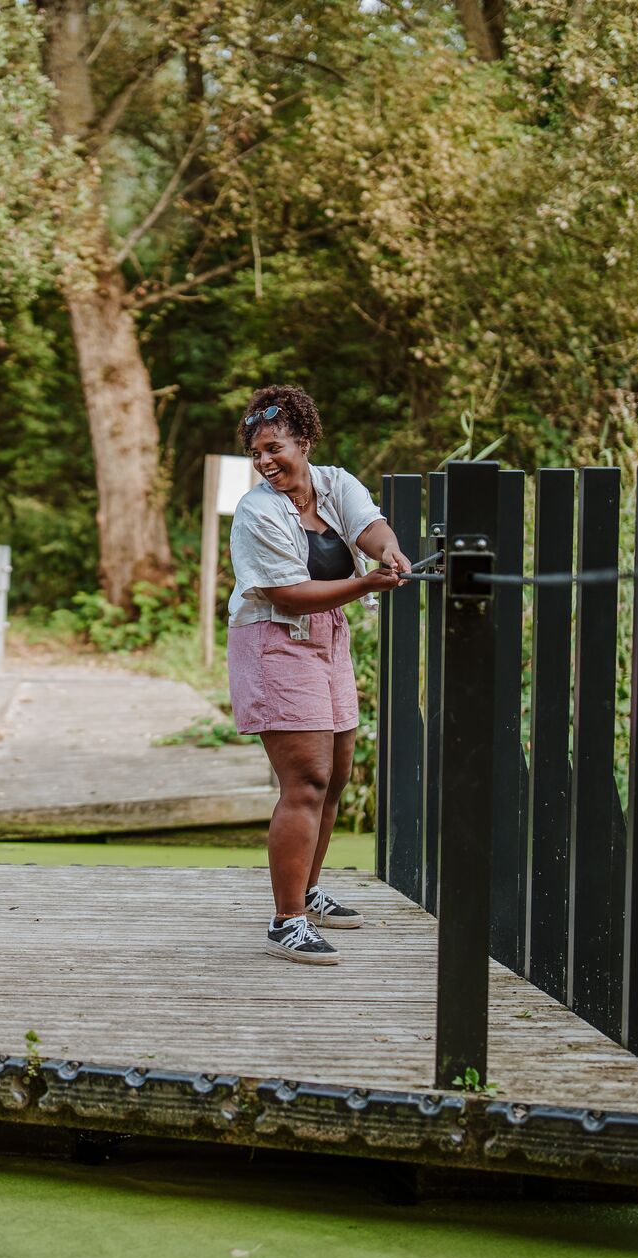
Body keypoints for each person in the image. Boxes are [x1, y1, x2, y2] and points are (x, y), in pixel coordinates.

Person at [226, 385, 410, 966]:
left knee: (335, 778)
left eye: (274, 448)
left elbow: (369, 528)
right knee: (304, 778)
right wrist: (364, 585)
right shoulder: (257, 511)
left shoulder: (334, 482)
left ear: (304, 441)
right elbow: (288, 593)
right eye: (257, 453)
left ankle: (307, 891)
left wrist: (391, 553)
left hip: (327, 639)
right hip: (276, 640)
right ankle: (287, 921)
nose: (265, 462)